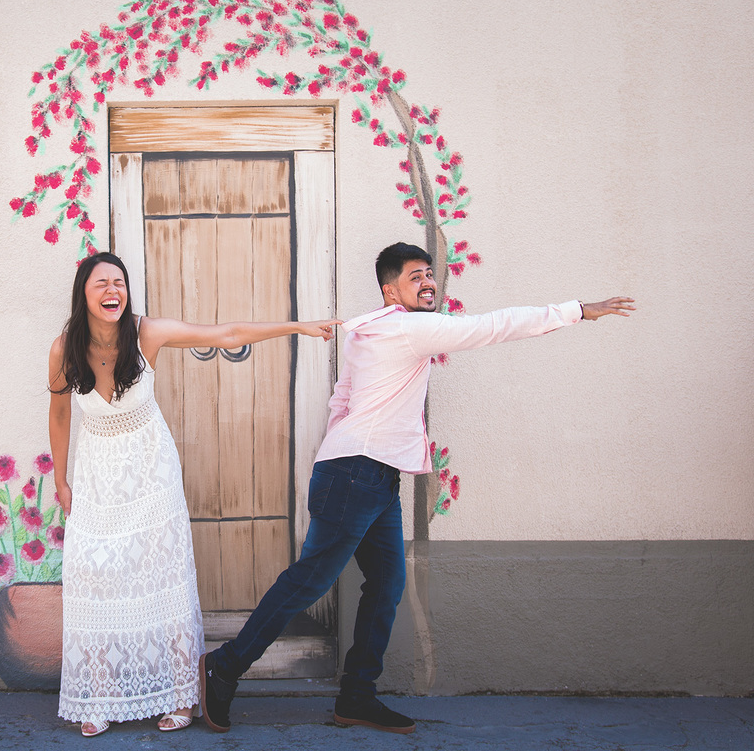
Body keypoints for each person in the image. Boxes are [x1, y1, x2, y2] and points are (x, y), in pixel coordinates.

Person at [200, 242, 636, 735]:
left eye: (429, 274)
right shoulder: (409, 328)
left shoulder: (371, 329)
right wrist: (577, 310)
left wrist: (343, 450)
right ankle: (224, 667)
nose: (428, 283)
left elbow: (343, 398)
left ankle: (357, 697)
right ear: (391, 291)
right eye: (415, 277)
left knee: (386, 584)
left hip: (370, 473)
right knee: (310, 581)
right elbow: (492, 326)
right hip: (358, 472)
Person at [49, 251, 340, 737]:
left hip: (152, 473)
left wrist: (299, 327)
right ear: (83, 293)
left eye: (119, 282)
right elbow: (60, 414)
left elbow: (226, 334)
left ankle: (180, 694)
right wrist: (61, 481)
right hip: (97, 475)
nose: (112, 291)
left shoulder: (147, 333)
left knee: (162, 579)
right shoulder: (64, 349)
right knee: (95, 578)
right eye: (101, 283)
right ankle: (99, 695)